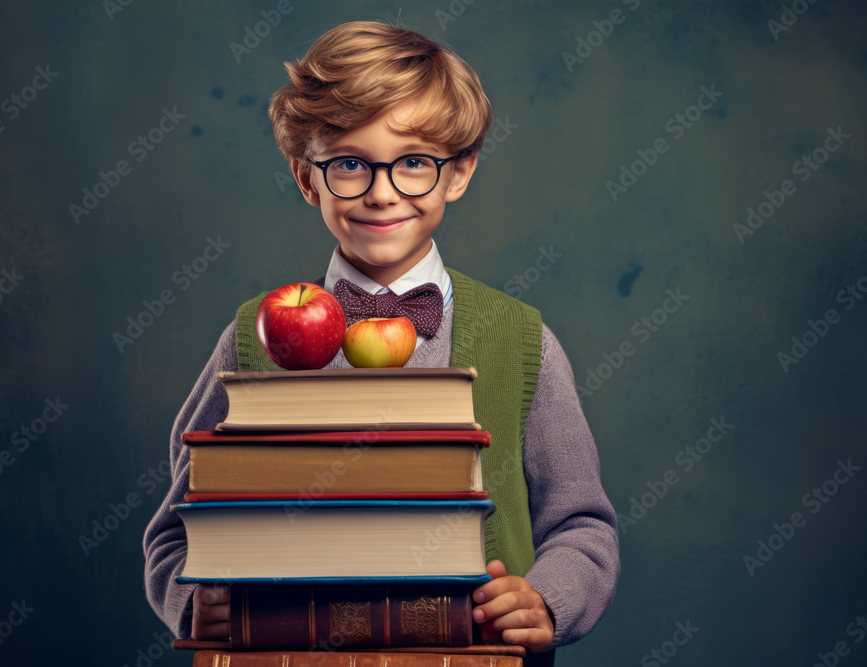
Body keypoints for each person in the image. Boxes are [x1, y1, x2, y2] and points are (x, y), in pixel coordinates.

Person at [143, 19, 619, 658]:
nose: (381, 193)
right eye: (348, 164)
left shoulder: (522, 340)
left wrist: (547, 599)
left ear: (459, 172)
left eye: (414, 163)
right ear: (306, 177)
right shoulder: (251, 338)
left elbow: (582, 526)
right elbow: (175, 533)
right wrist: (191, 600)